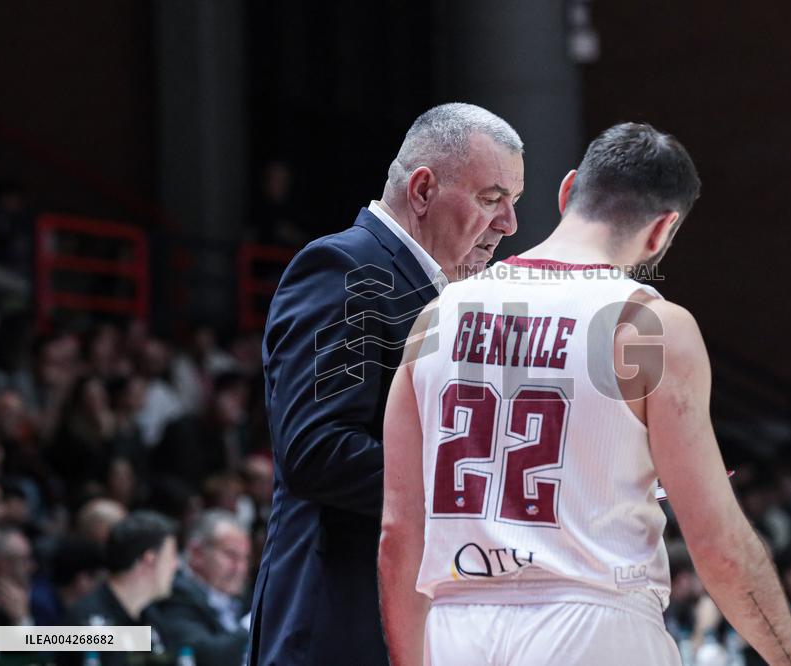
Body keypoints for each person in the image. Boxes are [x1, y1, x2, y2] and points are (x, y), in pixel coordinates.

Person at [379, 122, 791, 664]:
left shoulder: (438, 315)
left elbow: (399, 532)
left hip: (456, 627)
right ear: (662, 231)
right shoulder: (648, 326)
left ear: (567, 191)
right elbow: (719, 547)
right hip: (594, 625)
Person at [248, 102, 523, 666]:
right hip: (338, 622)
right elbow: (316, 450)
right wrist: (477, 486)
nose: (508, 224)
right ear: (422, 190)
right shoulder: (346, 269)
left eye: (513, 203)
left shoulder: (447, 297)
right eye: (491, 199)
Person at [62, 511, 178, 666]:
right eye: (171, 557)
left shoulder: (151, 619)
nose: (176, 565)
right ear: (149, 560)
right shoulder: (88, 624)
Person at [157, 510, 251, 666]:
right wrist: (253, 624)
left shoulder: (245, 595)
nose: (240, 568)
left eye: (244, 558)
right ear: (197, 553)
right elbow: (200, 655)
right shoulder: (174, 592)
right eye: (231, 555)